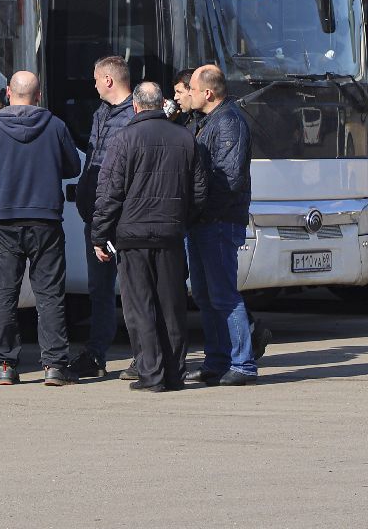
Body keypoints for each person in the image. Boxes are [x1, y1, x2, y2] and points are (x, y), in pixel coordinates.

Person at [0, 70, 81, 386]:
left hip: (5, 220)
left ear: (8, 92)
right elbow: (74, 167)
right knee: (50, 294)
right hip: (46, 221)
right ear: (39, 95)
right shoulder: (55, 126)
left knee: (5, 292)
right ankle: (54, 365)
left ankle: (5, 364)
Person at [89, 82, 206, 392]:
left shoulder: (123, 138)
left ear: (136, 107)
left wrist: (99, 235)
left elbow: (109, 193)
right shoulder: (186, 138)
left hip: (132, 236)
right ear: (162, 103)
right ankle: (174, 374)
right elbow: (199, 192)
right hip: (170, 235)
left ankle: (150, 374)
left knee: (140, 307)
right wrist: (181, 221)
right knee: (172, 305)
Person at [188, 64, 260, 386]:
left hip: (218, 223)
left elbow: (228, 179)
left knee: (224, 295)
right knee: (205, 296)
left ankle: (242, 363)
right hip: (205, 222)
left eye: (190, 89)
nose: (186, 94)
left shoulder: (229, 122)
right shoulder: (207, 122)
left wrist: (201, 211)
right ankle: (216, 360)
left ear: (208, 93)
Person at [71, 55, 135, 379]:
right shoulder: (101, 113)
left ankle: (143, 354)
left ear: (108, 80)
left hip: (123, 219)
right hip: (96, 219)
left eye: (96, 79)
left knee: (134, 289)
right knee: (100, 290)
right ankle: (96, 355)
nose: (93, 84)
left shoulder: (135, 115)